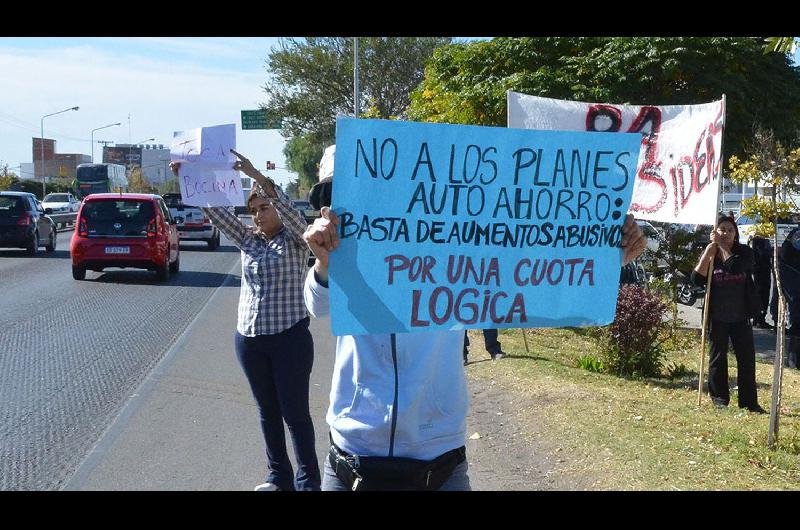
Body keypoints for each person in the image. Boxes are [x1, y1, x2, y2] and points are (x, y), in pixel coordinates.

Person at [303, 207, 647, 490]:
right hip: (353, 458)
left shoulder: (459, 250)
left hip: (439, 462)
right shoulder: (349, 245)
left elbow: (536, 285)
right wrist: (323, 265)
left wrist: (605, 261)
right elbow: (317, 305)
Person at [170, 151, 321, 491]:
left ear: (277, 209)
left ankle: (308, 481)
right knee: (267, 412)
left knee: (294, 413)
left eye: (263, 208)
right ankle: (278, 478)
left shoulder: (297, 241)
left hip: (289, 339)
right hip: (250, 340)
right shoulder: (248, 240)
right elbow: (218, 214)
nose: (257, 215)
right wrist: (186, 178)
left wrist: (257, 176)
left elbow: (297, 219)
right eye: (253, 210)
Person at [691, 215, 766, 413]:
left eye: (729, 230)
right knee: (717, 357)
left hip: (741, 315)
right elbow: (697, 280)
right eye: (722, 229)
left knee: (746, 359)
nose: (725, 233)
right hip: (717, 315)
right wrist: (708, 253)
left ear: (735, 234)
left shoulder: (745, 253)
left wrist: (720, 246)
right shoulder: (712, 253)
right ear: (715, 232)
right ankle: (719, 399)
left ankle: (749, 402)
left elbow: (734, 267)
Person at [750, 235, 774, 329]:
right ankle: (759, 319)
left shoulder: (760, 238)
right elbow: (762, 253)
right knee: (762, 293)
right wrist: (772, 252)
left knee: (762, 293)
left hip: (762, 268)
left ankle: (758, 319)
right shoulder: (759, 238)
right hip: (760, 268)